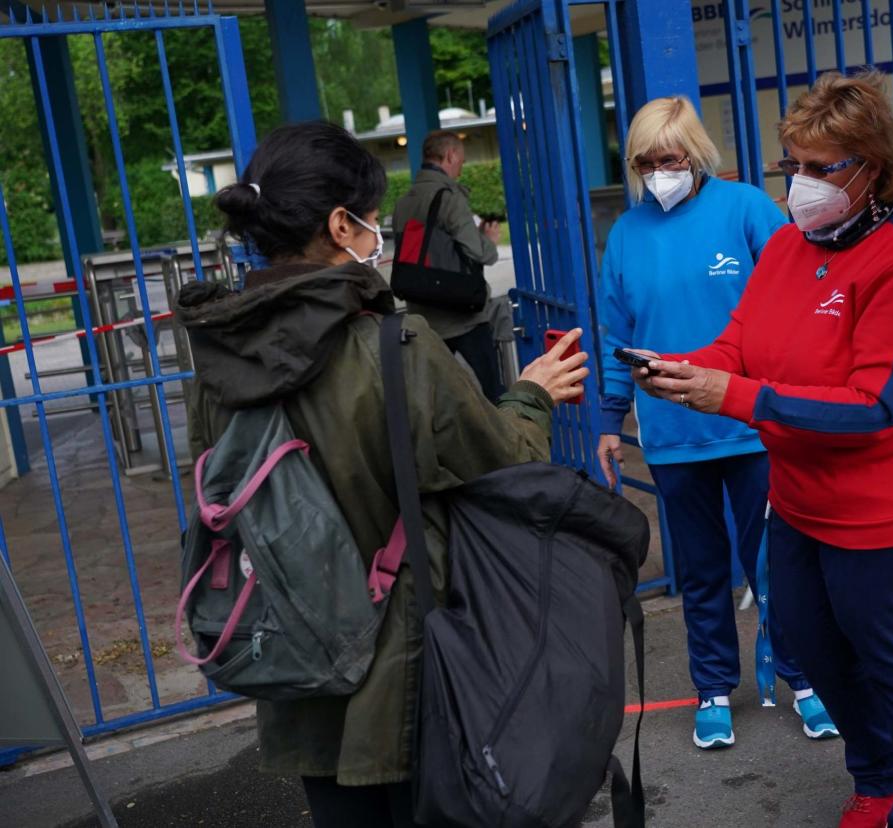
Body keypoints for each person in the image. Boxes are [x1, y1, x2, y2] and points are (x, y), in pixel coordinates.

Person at [177, 122, 588, 828]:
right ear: (341, 225)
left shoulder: (216, 363)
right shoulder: (396, 348)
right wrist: (532, 395)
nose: (378, 235)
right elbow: (506, 459)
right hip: (406, 669)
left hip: (296, 661)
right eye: (370, 220)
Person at [630, 72, 893, 828]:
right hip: (803, 503)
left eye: (823, 168)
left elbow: (878, 407)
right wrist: (690, 371)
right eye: (794, 164)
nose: (803, 184)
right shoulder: (788, 247)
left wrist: (736, 398)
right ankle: (877, 777)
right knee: (815, 651)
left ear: (871, 169)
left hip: (891, 512)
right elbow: (739, 343)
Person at [596, 95, 837, 751]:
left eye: (669, 158)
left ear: (696, 154)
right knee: (701, 573)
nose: (658, 171)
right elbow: (619, 331)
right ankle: (712, 690)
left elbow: (798, 298)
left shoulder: (748, 210)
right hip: (673, 439)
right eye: (646, 161)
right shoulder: (627, 234)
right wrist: (609, 418)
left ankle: (807, 681)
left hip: (754, 425)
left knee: (778, 568)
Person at [391, 130, 506, 400]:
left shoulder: (403, 202)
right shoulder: (449, 198)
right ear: (450, 155)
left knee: (436, 397)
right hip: (462, 315)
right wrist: (488, 239)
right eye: (461, 163)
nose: (460, 170)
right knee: (494, 392)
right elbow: (480, 253)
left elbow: (419, 251)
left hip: (424, 313)